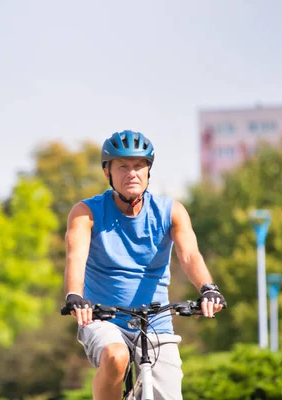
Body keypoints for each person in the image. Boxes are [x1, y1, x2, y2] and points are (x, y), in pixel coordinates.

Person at [63, 130, 226, 400]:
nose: (132, 174)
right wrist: (75, 296)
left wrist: (208, 289)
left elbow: (189, 256)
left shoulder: (171, 211)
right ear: (108, 173)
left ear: (149, 171)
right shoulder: (86, 212)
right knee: (116, 357)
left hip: (155, 321)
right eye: (123, 167)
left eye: (139, 166)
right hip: (103, 318)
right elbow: (75, 257)